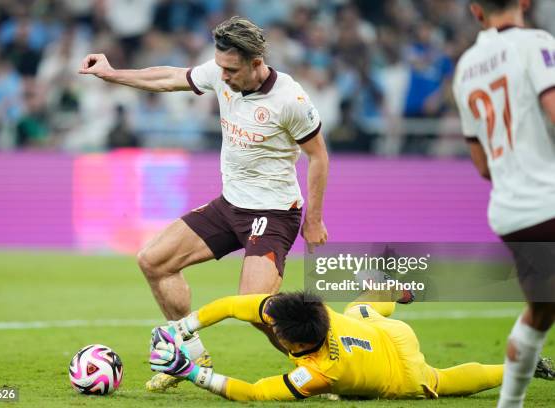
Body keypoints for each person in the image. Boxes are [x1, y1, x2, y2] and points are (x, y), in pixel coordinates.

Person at [78, 16, 329, 390]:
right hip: (230, 206)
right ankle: (193, 356)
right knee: (154, 260)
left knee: (256, 309)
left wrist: (314, 219)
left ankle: (326, 366)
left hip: (273, 214)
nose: (222, 76)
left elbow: (319, 157)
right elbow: (169, 78)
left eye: (231, 69)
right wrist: (112, 75)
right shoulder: (220, 72)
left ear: (256, 62)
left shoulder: (290, 99)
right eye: (220, 67)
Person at [148, 291, 554, 401]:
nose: (272, 331)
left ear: (298, 342)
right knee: (359, 306)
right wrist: (184, 328)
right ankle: (398, 292)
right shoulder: (309, 310)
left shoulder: (321, 372)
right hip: (382, 332)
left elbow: (254, 392)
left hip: (402, 371)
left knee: (441, 381)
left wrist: (192, 373)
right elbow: (236, 306)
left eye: (278, 335)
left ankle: (520, 368)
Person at [452, 1, 555, 407]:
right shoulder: (536, 44)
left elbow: (481, 165)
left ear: (476, 11)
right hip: (550, 198)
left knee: (541, 311)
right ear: (525, 2)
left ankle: (509, 404)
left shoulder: (466, 67)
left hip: (511, 211)